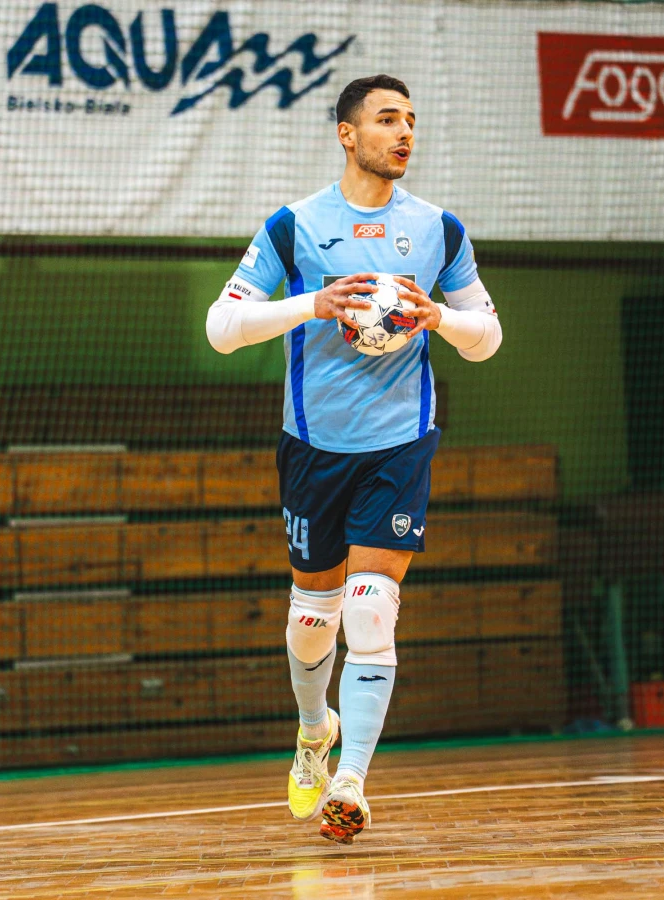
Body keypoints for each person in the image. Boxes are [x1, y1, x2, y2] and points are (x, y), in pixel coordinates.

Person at [205, 73, 502, 844]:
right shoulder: (295, 225)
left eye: (411, 120)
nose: (404, 133)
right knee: (313, 620)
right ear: (347, 134)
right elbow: (221, 328)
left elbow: (488, 336)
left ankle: (352, 782)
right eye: (387, 119)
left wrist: (440, 319)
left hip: (399, 445)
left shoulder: (438, 229)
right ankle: (315, 730)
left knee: (371, 611)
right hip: (314, 447)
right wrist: (315, 303)